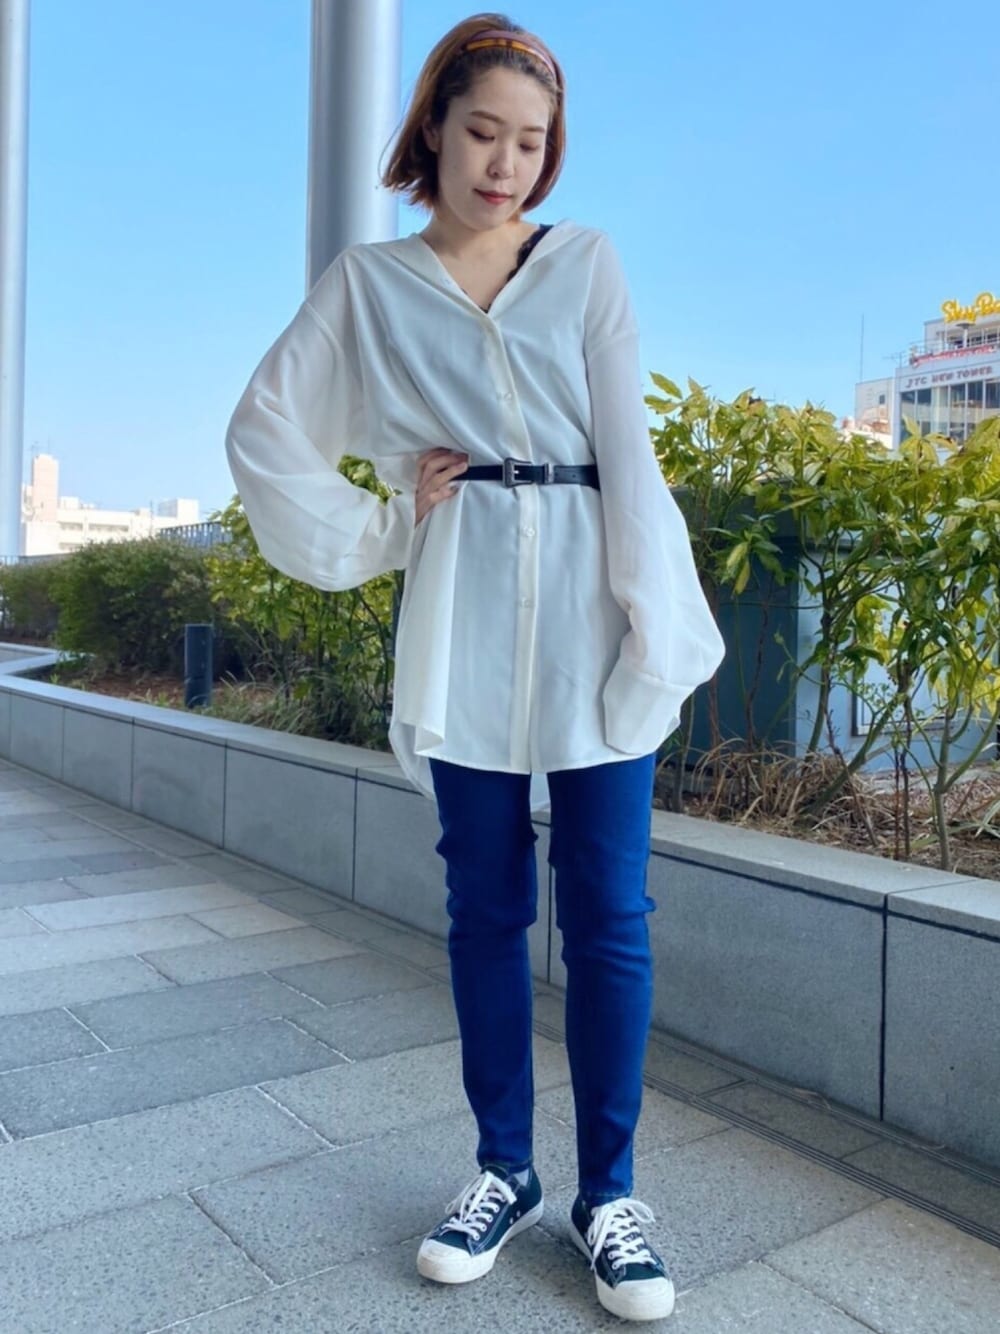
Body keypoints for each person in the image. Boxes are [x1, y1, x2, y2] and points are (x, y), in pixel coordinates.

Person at [225, 12, 724, 1322]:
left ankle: (609, 1195)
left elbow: (627, 448)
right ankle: (504, 1168)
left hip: (594, 609)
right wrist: (389, 522)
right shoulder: (370, 286)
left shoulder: (586, 263)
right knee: (486, 907)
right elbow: (266, 429)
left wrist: (653, 622)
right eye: (484, 132)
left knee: (609, 911)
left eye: (532, 141)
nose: (506, 163)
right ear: (435, 129)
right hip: (466, 609)